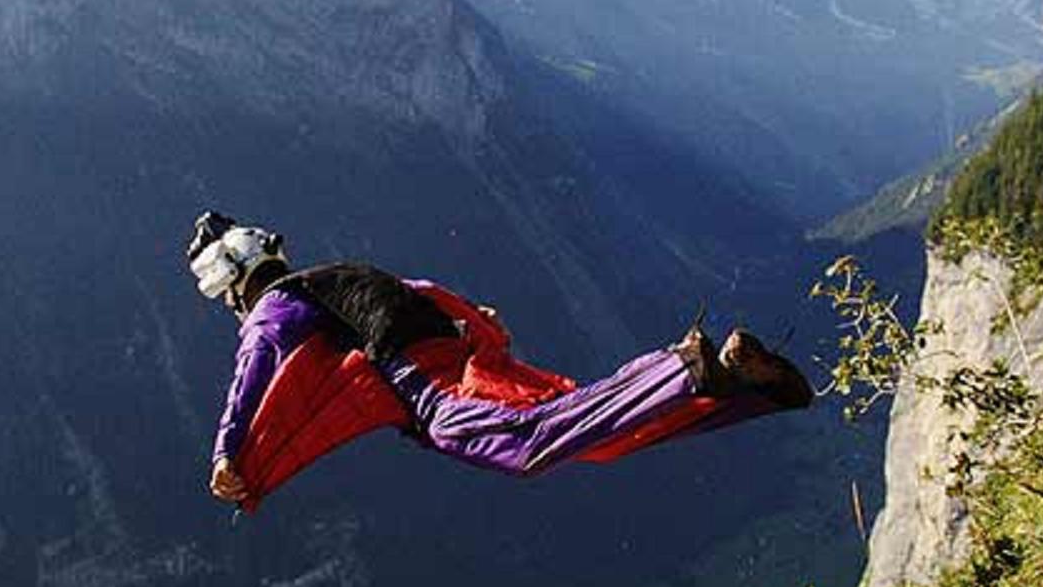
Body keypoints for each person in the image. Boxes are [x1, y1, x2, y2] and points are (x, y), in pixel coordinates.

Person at [186, 211, 812, 509]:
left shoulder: (275, 309)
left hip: (432, 392)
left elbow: (253, 373)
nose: (233, 310)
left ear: (237, 283)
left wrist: (225, 452)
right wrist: (484, 329)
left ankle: (686, 367)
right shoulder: (332, 280)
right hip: (460, 359)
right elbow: (425, 291)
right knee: (580, 429)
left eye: (227, 298)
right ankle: (738, 386)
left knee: (529, 445)